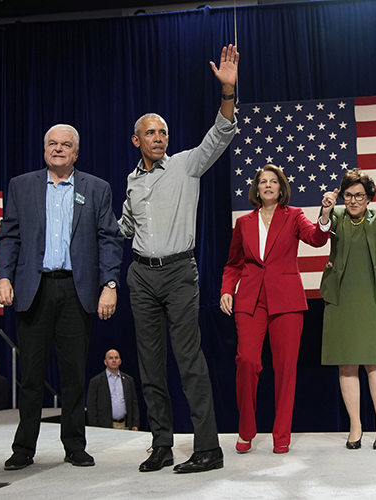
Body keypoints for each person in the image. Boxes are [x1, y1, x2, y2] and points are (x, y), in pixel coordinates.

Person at [118, 44, 239, 474]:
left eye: (163, 132)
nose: (158, 138)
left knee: (189, 361)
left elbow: (220, 134)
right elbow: (123, 230)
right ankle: (162, 446)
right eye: (150, 133)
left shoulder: (186, 165)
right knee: (150, 367)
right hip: (141, 277)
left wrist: (227, 92)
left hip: (178, 274)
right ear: (137, 140)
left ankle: (208, 449)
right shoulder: (131, 182)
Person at [0, 123, 123, 471]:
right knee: (32, 376)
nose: (58, 149)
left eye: (65, 145)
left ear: (76, 153)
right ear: (44, 149)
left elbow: (109, 239)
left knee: (72, 375)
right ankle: (23, 448)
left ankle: (74, 445)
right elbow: (8, 237)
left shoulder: (96, 188)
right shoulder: (21, 186)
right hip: (32, 290)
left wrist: (109, 284)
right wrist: (4, 277)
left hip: (75, 290)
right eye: (52, 143)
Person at [220, 164, 333, 454]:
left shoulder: (293, 215)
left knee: (285, 369)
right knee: (246, 361)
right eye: (262, 182)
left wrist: (325, 216)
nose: (268, 185)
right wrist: (226, 291)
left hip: (286, 300)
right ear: (256, 189)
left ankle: (281, 435)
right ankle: (246, 429)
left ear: (281, 188)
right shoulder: (244, 223)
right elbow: (233, 263)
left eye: (273, 181)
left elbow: (316, 239)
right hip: (250, 299)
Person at [319, 169, 376, 450]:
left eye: (359, 196)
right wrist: (325, 210)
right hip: (341, 297)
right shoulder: (337, 216)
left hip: (371, 297)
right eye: (349, 195)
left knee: (375, 362)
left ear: (368, 199)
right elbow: (321, 229)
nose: (353, 201)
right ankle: (355, 424)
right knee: (346, 364)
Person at [87, 349, 140, 431]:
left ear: (120, 361)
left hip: (125, 426)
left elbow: (134, 403)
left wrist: (135, 424)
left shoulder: (128, 380)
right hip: (105, 427)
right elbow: (91, 407)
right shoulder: (96, 381)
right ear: (105, 362)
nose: (114, 360)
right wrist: (95, 428)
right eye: (111, 358)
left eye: (116, 358)